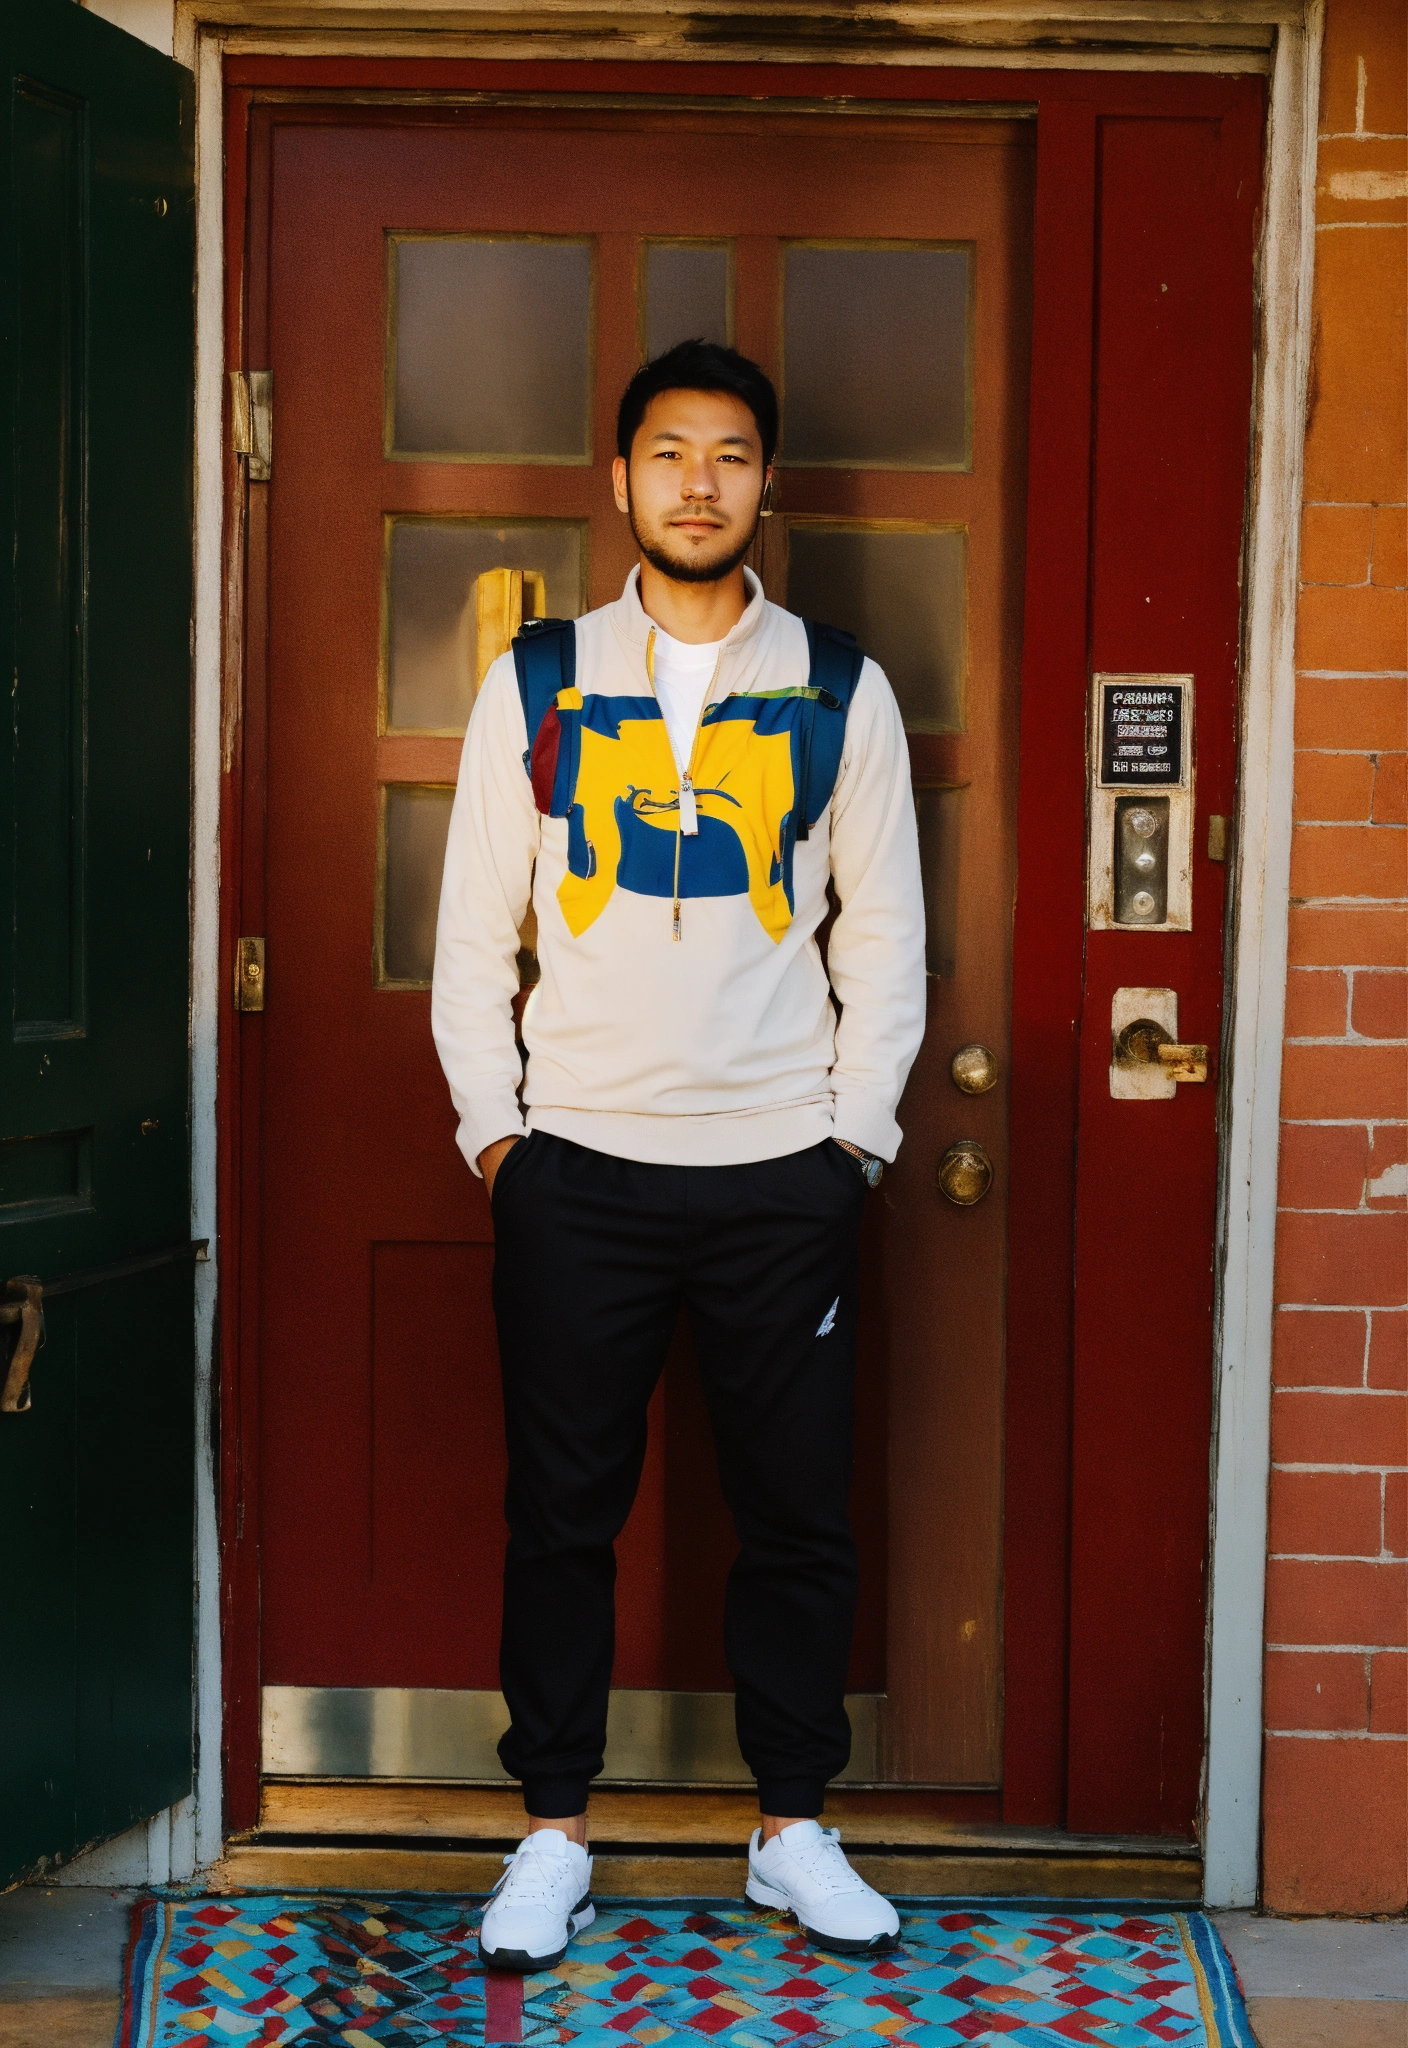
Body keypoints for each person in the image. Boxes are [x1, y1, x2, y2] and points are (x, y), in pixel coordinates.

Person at [432, 340, 926, 1971]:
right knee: (561, 1518)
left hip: (782, 1173)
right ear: (622, 479)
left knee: (797, 1518)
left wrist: (851, 1146)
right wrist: (500, 1139)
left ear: (765, 481)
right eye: (668, 453)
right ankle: (552, 1835)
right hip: (578, 1169)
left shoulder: (841, 687)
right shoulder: (541, 677)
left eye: (727, 455)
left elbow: (887, 942)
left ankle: (790, 1829)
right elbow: (471, 934)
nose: (697, 484)